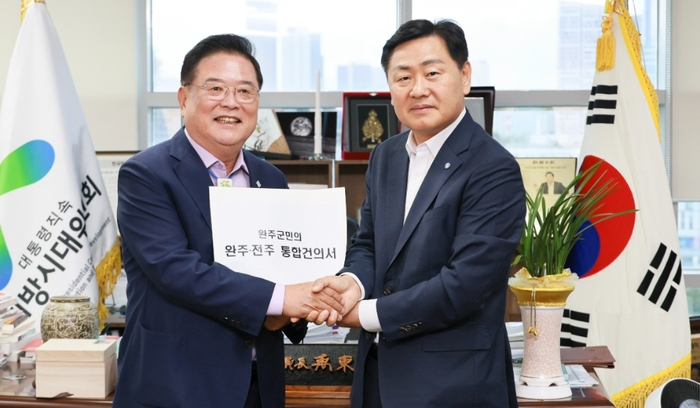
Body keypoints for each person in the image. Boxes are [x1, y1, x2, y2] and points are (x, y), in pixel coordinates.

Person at [113, 34, 345, 408]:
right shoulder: (146, 174)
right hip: (177, 384)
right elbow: (176, 270)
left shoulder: (270, 178)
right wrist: (282, 299)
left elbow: (286, 268)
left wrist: (289, 311)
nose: (231, 102)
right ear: (184, 98)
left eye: (245, 91)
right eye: (216, 88)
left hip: (258, 386)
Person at [311, 19, 526, 407]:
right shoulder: (386, 155)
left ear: (464, 76)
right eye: (403, 77)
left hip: (454, 386)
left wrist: (367, 313)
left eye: (432, 73)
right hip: (377, 377)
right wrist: (352, 284)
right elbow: (369, 243)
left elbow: (464, 285)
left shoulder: (493, 167)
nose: (418, 89)